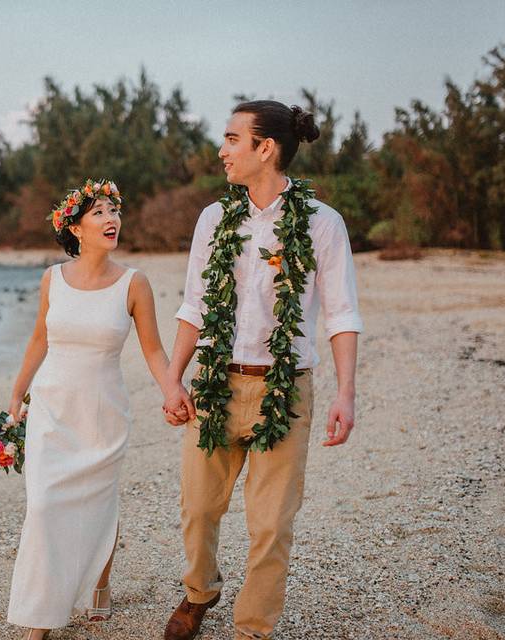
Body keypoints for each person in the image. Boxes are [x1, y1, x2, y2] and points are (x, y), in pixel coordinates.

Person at [160, 100, 364, 640]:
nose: (221, 150)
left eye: (231, 139)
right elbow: (193, 306)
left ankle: (253, 628)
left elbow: (342, 312)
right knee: (199, 508)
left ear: (264, 148)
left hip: (285, 388)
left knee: (271, 524)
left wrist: (346, 393)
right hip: (216, 382)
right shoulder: (214, 219)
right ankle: (200, 592)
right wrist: (172, 379)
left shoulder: (323, 223)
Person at [6, 179, 182, 639]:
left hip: (102, 412)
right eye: (99, 212)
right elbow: (39, 340)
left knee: (99, 504)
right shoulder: (51, 279)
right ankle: (40, 616)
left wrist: (172, 390)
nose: (111, 219)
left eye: (113, 211)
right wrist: (15, 394)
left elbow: (154, 352)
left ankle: (100, 583)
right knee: (43, 506)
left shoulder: (134, 283)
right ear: (76, 228)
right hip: (52, 407)